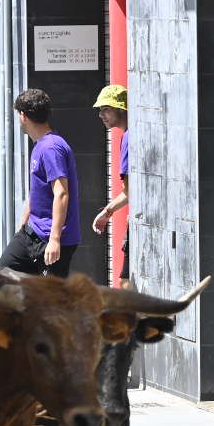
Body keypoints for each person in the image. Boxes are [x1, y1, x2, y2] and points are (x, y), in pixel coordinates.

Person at [0, 87, 78, 278]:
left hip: (52, 239)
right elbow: (37, 192)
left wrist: (55, 239)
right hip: (31, 233)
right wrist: (22, 228)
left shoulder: (51, 148)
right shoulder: (40, 145)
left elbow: (61, 193)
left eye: (19, 115)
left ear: (23, 116)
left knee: (51, 300)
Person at [90, 84, 131, 286]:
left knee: (125, 283)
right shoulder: (130, 135)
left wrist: (107, 212)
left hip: (140, 221)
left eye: (106, 109)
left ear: (121, 108)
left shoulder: (129, 138)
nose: (101, 115)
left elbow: (130, 192)